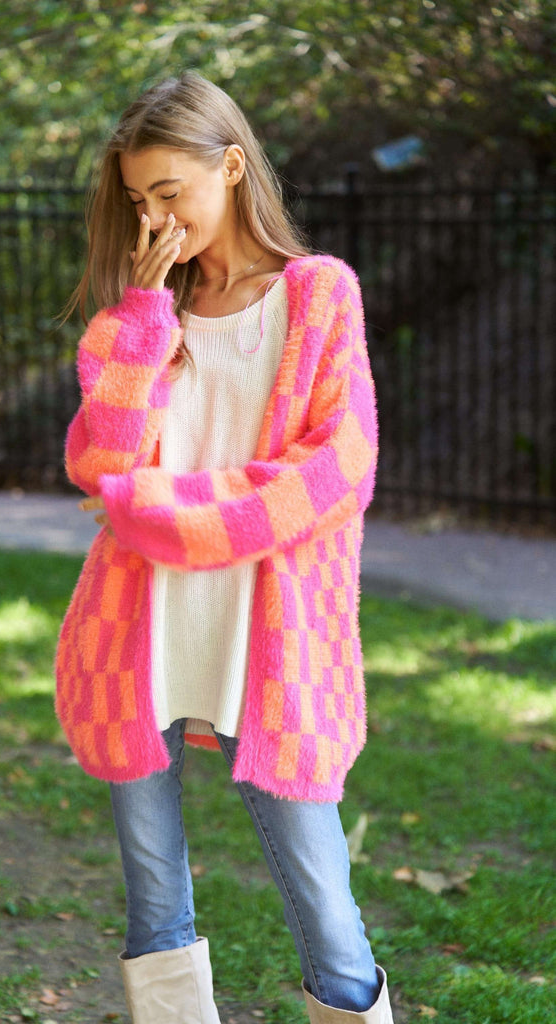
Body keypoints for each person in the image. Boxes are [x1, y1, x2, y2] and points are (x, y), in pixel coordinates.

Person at [55, 71, 394, 1024]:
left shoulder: (316, 297)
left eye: (170, 192)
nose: (154, 218)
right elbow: (100, 463)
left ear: (232, 167)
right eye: (138, 200)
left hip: (268, 644)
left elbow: (334, 473)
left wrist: (158, 508)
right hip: (144, 635)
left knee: (326, 909)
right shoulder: (139, 318)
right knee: (154, 904)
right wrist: (141, 315)